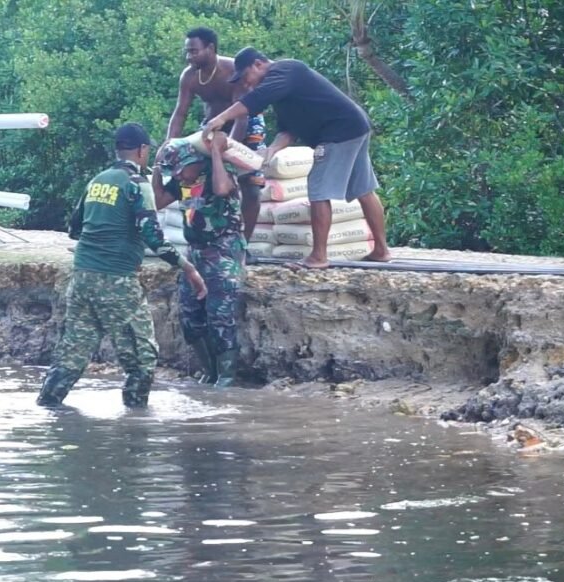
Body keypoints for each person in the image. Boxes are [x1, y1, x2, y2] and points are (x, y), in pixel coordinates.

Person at [36, 123, 207, 409]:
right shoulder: (136, 184)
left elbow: (74, 228)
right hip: (116, 280)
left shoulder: (97, 180)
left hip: (81, 278)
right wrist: (187, 268)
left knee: (72, 355)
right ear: (142, 150)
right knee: (142, 360)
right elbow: (153, 235)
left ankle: (47, 407)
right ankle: (136, 422)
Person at [204, 47, 392, 269]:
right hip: (355, 126)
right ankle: (381, 250)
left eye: (245, 77)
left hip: (339, 132)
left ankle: (319, 256)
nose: (246, 84)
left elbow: (255, 99)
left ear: (258, 64)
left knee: (318, 189)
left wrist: (221, 117)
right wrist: (271, 150)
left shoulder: (287, 70)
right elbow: (288, 131)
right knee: (363, 189)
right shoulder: (282, 94)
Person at [152, 132, 245, 388]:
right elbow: (159, 201)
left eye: (181, 171)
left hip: (223, 249)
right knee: (189, 317)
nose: (179, 177)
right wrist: (159, 168)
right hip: (195, 251)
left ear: (195, 160)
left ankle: (226, 378)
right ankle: (210, 371)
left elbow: (222, 189)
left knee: (220, 316)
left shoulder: (219, 172)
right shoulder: (183, 181)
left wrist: (215, 151)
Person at [165, 27, 266, 241]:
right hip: (212, 126)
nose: (189, 56)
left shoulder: (231, 71)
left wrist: (228, 152)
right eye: (187, 51)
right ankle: (211, 237)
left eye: (194, 51)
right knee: (204, 180)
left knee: (251, 186)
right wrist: (169, 144)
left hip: (245, 123)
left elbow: (241, 116)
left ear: (210, 48)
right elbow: (180, 114)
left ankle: (243, 245)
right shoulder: (189, 76)